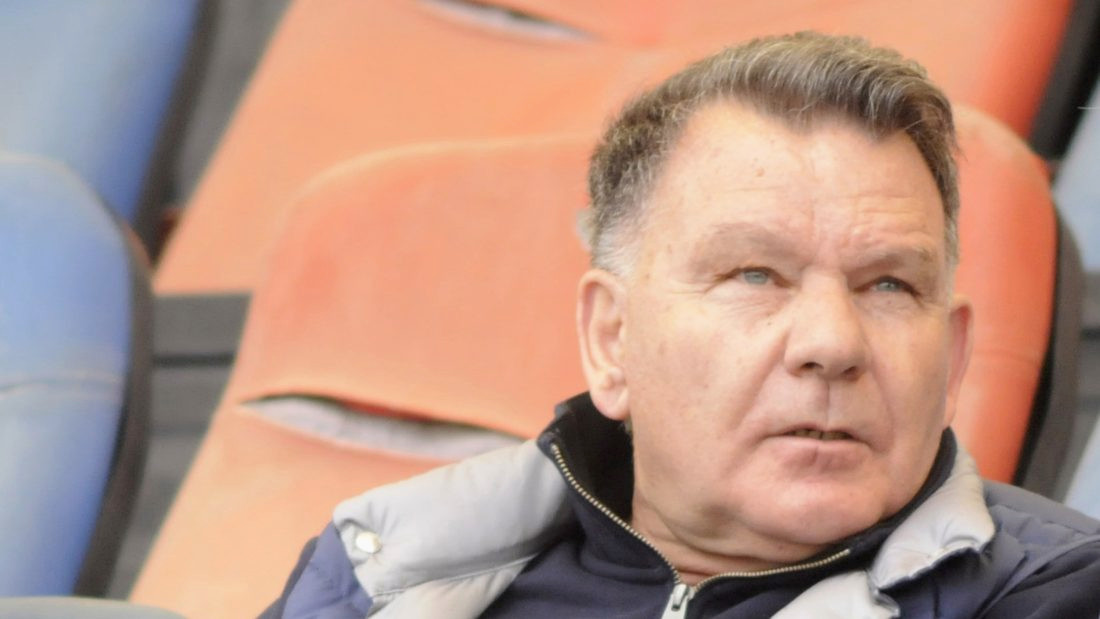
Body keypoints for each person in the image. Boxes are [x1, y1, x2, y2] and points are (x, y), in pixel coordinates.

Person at [263, 32, 1100, 618]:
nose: (832, 343)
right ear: (611, 340)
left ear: (952, 357)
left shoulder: (1055, 593)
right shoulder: (382, 570)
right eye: (755, 274)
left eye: (888, 284)